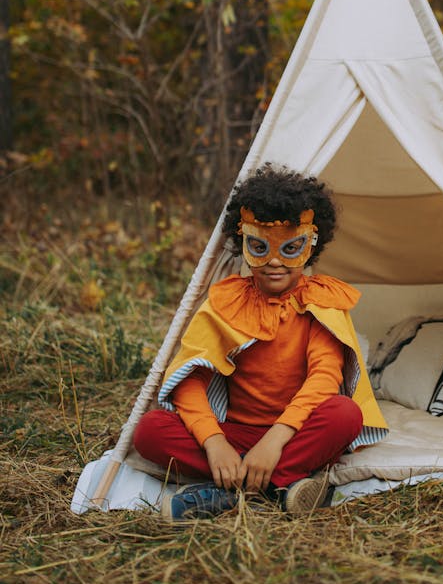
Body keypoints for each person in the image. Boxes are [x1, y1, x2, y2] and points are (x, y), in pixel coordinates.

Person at [133, 163, 387, 522]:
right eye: (259, 246)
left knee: (344, 414)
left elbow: (325, 379)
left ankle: (229, 492)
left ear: (311, 246)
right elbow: (189, 378)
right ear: (242, 241)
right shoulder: (226, 302)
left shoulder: (320, 303)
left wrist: (274, 442)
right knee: (150, 431)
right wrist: (214, 443)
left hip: (295, 435)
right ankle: (280, 488)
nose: (273, 262)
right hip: (233, 435)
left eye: (290, 248)